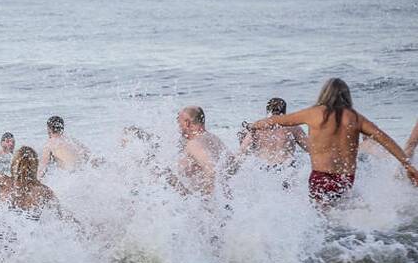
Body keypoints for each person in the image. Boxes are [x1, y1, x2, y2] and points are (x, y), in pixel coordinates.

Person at [246, 78, 418, 205]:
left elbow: (275, 121)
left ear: (324, 94)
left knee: (323, 218)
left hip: (320, 177)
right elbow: (385, 139)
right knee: (342, 212)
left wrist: (254, 125)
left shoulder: (313, 113)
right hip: (346, 178)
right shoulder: (356, 118)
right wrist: (407, 165)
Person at [0, 121, 58, 218]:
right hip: (30, 232)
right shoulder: (44, 191)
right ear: (35, 166)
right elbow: (66, 218)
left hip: (3, 231)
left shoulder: (4, 182)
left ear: (14, 164)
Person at [175, 107, 233, 196]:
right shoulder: (214, 139)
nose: (178, 127)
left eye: (179, 122)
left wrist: (207, 202)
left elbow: (211, 170)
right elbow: (231, 165)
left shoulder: (193, 144)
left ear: (187, 123)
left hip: (203, 203)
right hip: (224, 199)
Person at [237, 98, 309, 167]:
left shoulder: (255, 128)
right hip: (286, 168)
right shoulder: (293, 127)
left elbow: (241, 153)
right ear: (284, 112)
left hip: (263, 169)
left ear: (268, 111)